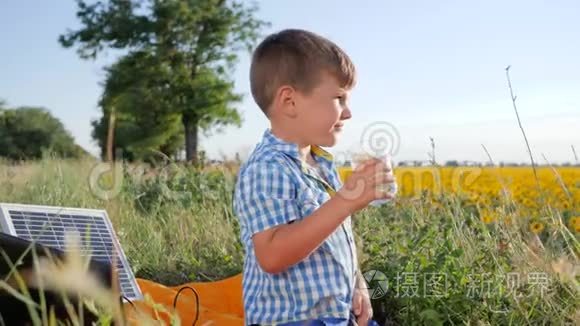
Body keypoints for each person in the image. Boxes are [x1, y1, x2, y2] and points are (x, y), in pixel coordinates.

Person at [233, 28, 395, 326]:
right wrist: (345, 201)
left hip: (336, 315)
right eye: (338, 98)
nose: (347, 113)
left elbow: (333, 234)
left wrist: (356, 282)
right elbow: (272, 255)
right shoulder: (268, 167)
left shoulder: (321, 164)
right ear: (289, 101)